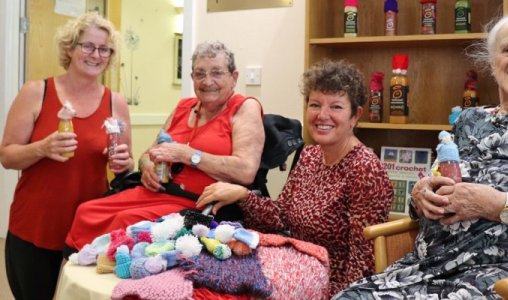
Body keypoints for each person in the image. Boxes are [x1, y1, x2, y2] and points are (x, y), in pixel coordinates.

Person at [333, 8, 508, 299]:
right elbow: (435, 185)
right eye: (507, 49)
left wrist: (496, 204)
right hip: (430, 267)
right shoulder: (470, 120)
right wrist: (422, 195)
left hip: (507, 274)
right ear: (492, 61)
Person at [196, 59, 394, 296]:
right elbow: (281, 218)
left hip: (331, 284)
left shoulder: (365, 170)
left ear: (355, 115)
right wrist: (243, 195)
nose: (323, 115)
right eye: (315, 104)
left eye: (336, 107)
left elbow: (364, 265)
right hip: (296, 266)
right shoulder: (310, 155)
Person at [64, 41, 264, 254]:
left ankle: (105, 283)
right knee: (87, 211)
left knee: (125, 221)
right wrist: (147, 166)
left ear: (234, 77)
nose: (208, 81)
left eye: (217, 73)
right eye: (199, 74)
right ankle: (74, 281)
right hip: (156, 192)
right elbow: (148, 155)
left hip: (196, 204)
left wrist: (189, 155)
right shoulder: (183, 107)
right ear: (192, 78)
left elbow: (245, 171)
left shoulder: (245, 107)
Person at [0, 12, 132, 300]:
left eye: (104, 49)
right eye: (87, 46)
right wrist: (42, 148)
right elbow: (8, 157)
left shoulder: (116, 102)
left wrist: (123, 162)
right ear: (70, 48)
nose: (96, 55)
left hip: (89, 229)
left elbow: (126, 163)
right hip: (35, 224)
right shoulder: (36, 92)